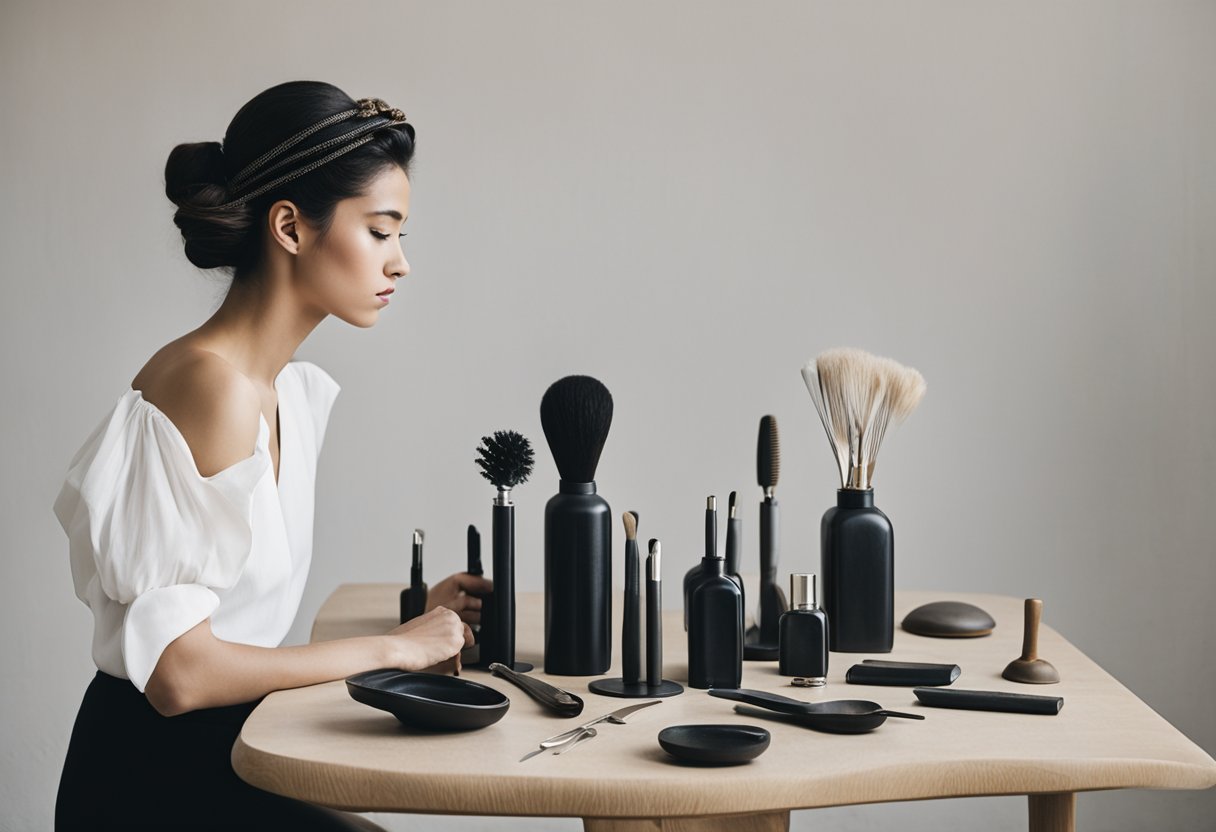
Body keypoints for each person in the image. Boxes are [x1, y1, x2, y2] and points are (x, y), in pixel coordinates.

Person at [52, 80, 487, 831]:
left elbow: (236, 628)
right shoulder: (210, 387)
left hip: (232, 757)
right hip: (150, 784)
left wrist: (412, 624)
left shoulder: (284, 391)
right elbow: (180, 676)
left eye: (400, 237)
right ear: (289, 227)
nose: (400, 263)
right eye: (381, 231)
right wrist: (393, 648)